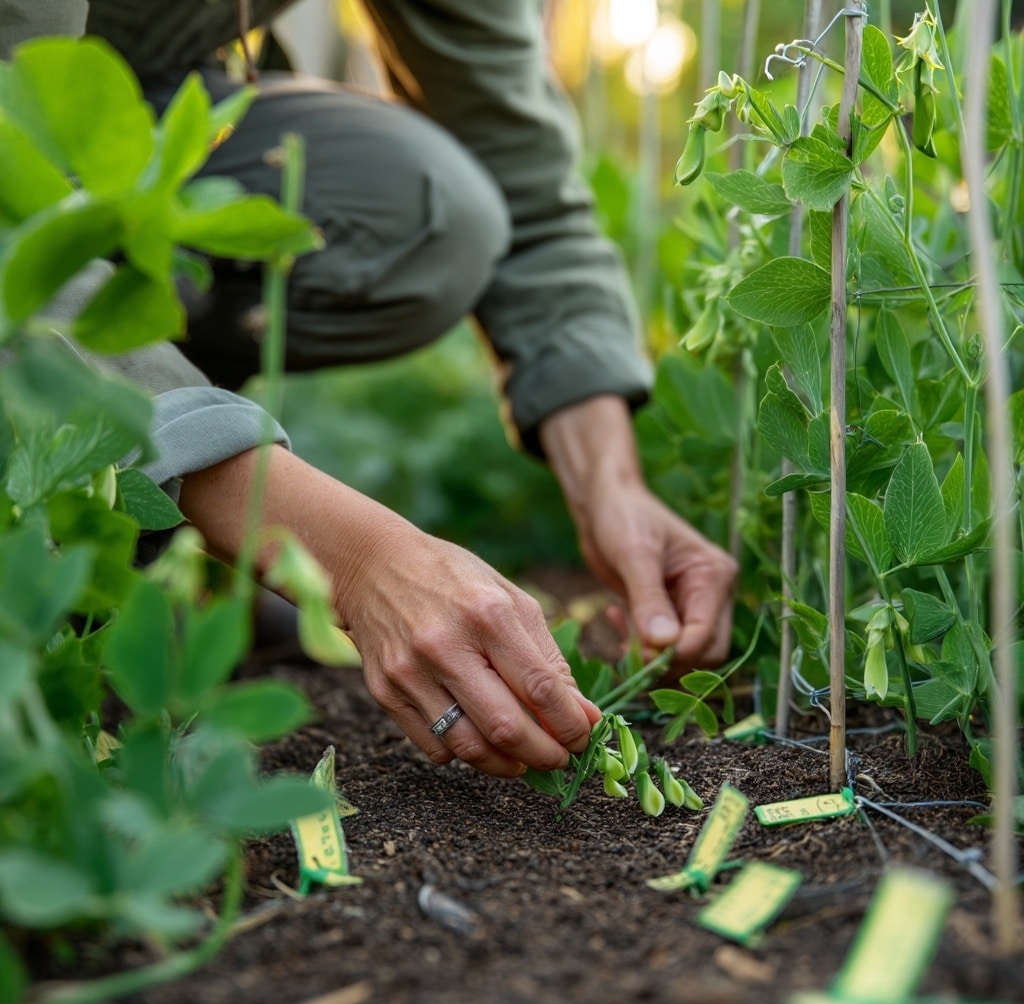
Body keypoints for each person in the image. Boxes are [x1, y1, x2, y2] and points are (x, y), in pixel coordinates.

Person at [0, 0, 737, 780]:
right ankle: (90, 513)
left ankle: (139, 524)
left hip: (127, 118)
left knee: (423, 206)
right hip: (24, 139)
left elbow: (520, 174)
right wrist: (353, 560)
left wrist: (609, 486)